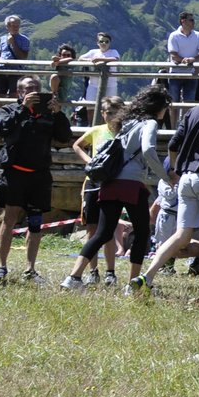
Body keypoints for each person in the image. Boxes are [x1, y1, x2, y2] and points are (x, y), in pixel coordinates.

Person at [132, 69, 199, 298]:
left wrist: (175, 171)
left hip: (186, 179)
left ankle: (147, 277)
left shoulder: (193, 111)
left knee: (182, 234)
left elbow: (173, 144)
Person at [59, 87, 169, 293]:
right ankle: (133, 284)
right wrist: (164, 177)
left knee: (101, 233)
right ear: (159, 107)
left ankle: (73, 277)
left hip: (110, 182)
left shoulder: (126, 123)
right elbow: (147, 150)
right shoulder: (150, 123)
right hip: (132, 184)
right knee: (143, 231)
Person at [0, 76, 73, 283]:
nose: (34, 91)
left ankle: (30, 269)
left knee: (36, 223)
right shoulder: (9, 110)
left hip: (39, 175)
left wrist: (59, 114)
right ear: (19, 92)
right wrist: (23, 109)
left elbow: (64, 137)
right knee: (9, 219)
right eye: (29, 88)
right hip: (14, 174)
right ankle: (1, 266)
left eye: (37, 88)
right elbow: (1, 130)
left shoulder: (48, 113)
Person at [70, 96, 128, 285]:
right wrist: (90, 161)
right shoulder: (96, 131)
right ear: (102, 113)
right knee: (92, 228)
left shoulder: (125, 133)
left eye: (114, 112)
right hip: (93, 182)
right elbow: (77, 145)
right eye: (107, 113)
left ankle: (110, 271)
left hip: (112, 183)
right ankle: (93, 270)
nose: (110, 116)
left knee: (108, 228)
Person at [166, 11, 199, 104]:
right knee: (173, 102)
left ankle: (186, 119)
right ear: (183, 21)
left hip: (191, 74)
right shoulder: (174, 36)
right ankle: (174, 119)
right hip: (175, 73)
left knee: (189, 102)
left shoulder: (198, 35)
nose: (193, 22)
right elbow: (173, 55)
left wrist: (193, 60)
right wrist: (184, 60)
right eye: (191, 20)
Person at [80, 31, 120, 113]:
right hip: (93, 85)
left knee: (109, 107)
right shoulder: (93, 52)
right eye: (101, 41)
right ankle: (91, 125)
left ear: (110, 43)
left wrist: (100, 60)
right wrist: (91, 60)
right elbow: (80, 58)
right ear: (97, 43)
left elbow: (116, 59)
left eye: (106, 41)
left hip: (110, 85)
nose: (104, 43)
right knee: (90, 106)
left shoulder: (113, 51)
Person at [0, 16, 30, 99]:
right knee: (0, 97)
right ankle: (0, 112)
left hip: (16, 71)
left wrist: (13, 43)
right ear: (7, 26)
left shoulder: (24, 40)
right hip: (1, 70)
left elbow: (23, 58)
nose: (16, 28)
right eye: (13, 25)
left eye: (17, 25)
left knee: (14, 97)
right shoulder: (2, 39)